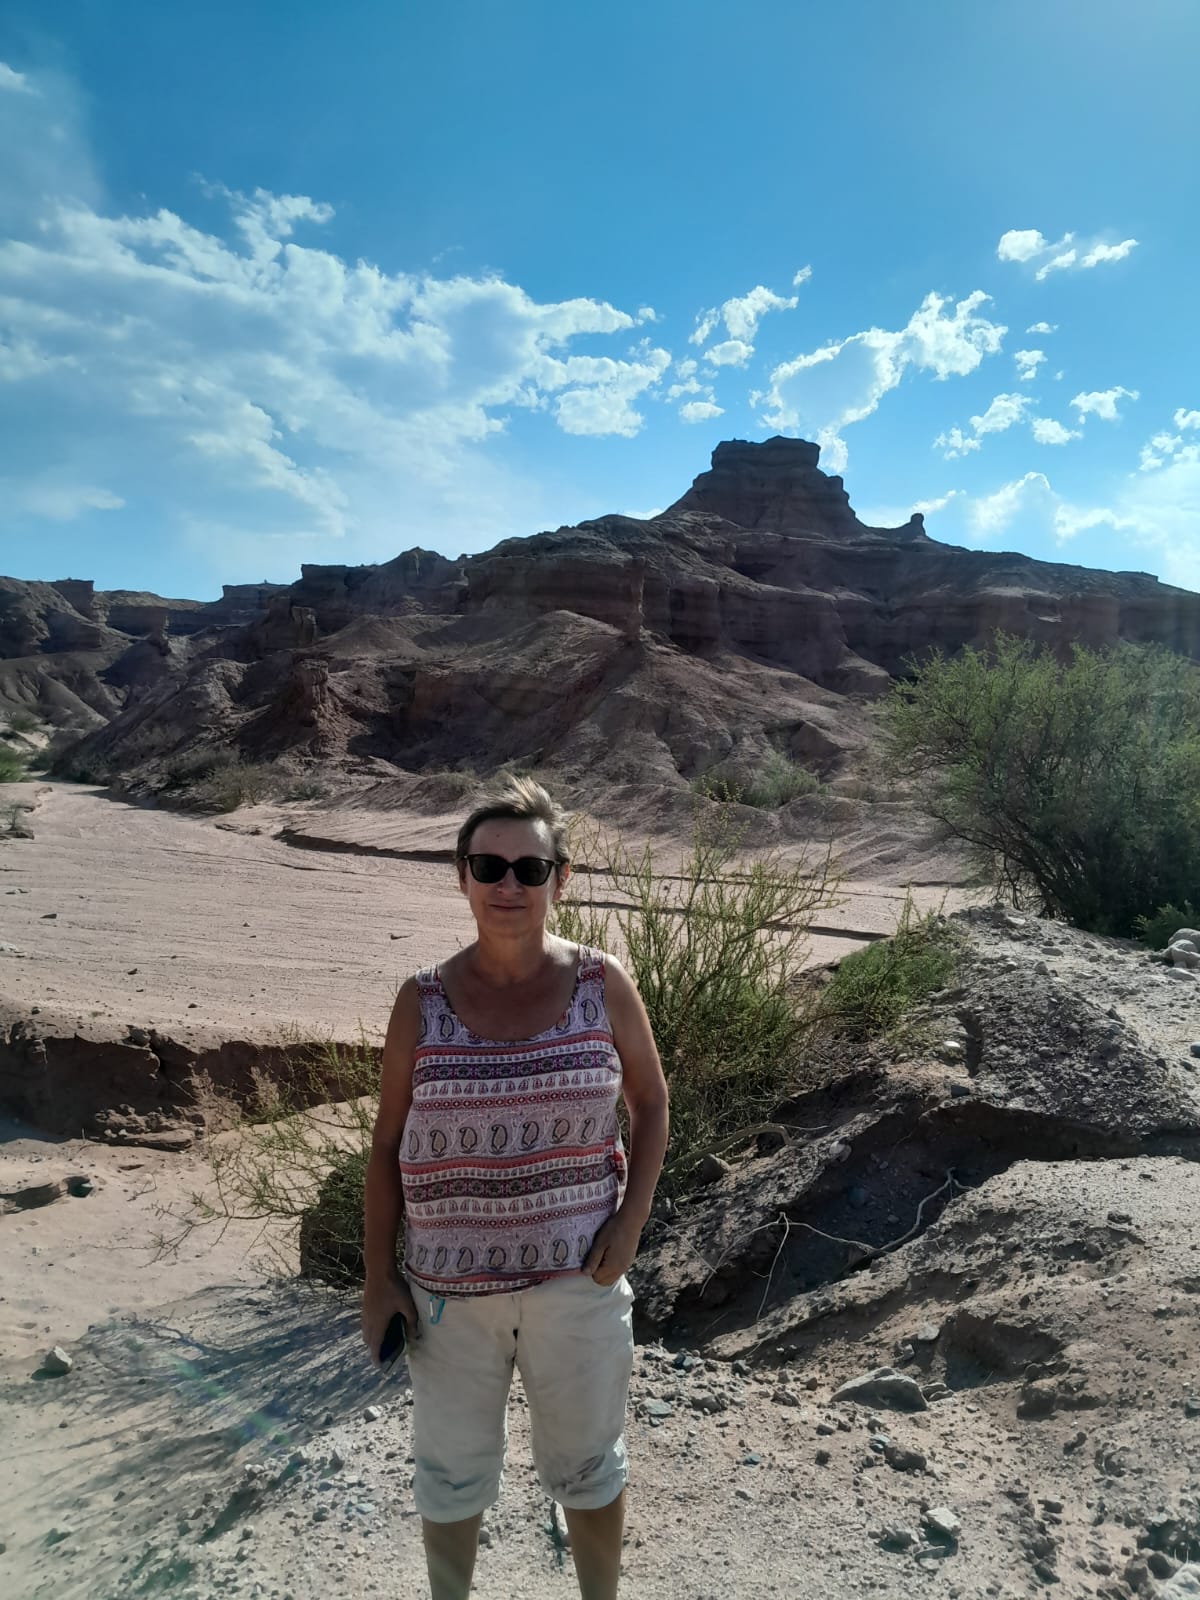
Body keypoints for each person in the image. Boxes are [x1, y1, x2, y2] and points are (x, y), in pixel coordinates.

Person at [361, 777, 671, 1600]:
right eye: (488, 866)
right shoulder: (418, 1001)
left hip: (578, 1279)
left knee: (587, 1465)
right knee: (451, 1471)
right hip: (446, 1296)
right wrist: (378, 1277)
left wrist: (631, 1220)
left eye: (529, 870)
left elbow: (650, 1100)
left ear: (560, 881)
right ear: (460, 875)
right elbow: (388, 1141)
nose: (508, 885)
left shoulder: (602, 984)